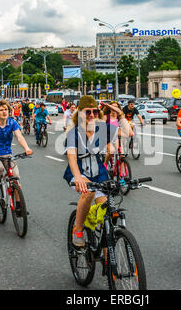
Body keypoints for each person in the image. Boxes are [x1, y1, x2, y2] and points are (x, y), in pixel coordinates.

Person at [63, 95, 120, 247]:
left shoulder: (101, 129)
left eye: (95, 111)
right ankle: (78, 228)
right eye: (88, 112)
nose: (92, 115)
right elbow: (72, 158)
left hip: (99, 173)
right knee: (88, 192)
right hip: (79, 171)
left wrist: (118, 113)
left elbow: (128, 133)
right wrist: (78, 178)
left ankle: (110, 262)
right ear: (80, 113)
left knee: (108, 212)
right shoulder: (73, 133)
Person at [0, 100, 33, 216]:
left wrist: (27, 148)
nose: (4, 112)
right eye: (1, 110)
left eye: (6, 109)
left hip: (8, 154)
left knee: (15, 178)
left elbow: (19, 137)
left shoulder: (12, 122)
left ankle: (19, 207)